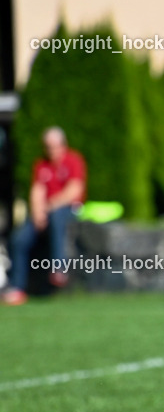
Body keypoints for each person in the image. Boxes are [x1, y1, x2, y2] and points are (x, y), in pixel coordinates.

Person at [3, 127, 86, 306]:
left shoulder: (73, 160)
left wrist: (50, 206)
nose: (51, 150)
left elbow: (74, 189)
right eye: (47, 147)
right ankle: (17, 287)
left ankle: (59, 268)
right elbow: (37, 191)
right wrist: (38, 213)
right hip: (45, 212)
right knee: (19, 239)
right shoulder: (41, 165)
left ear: (63, 145)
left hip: (67, 210)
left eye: (54, 146)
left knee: (57, 217)